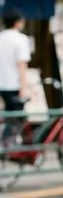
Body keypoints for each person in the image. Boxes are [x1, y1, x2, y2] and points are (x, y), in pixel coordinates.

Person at [0, 8, 30, 142]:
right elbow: (22, 65)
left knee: (8, 117)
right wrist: (24, 87)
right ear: (17, 22)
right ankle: (6, 145)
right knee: (16, 119)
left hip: (1, 84)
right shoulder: (21, 39)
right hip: (14, 85)